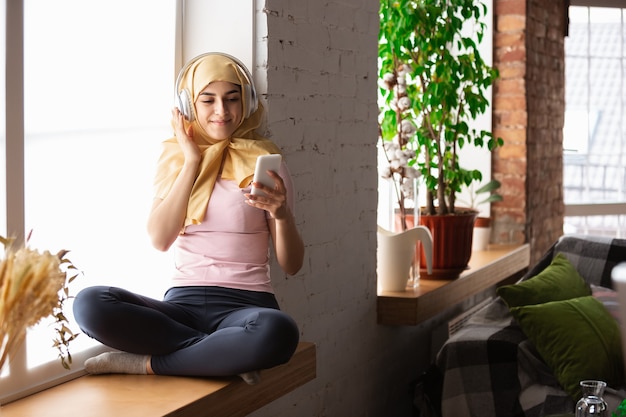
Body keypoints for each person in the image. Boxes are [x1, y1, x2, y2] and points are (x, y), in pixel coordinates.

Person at [73, 52, 304, 385]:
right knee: (90, 303)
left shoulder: (265, 162)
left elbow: (292, 265)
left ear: (248, 101)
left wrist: (281, 214)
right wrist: (192, 160)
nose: (221, 111)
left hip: (247, 306)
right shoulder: (175, 158)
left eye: (232, 98)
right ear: (188, 104)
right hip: (182, 306)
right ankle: (219, 355)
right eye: (207, 100)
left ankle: (146, 364)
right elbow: (160, 239)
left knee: (279, 332)